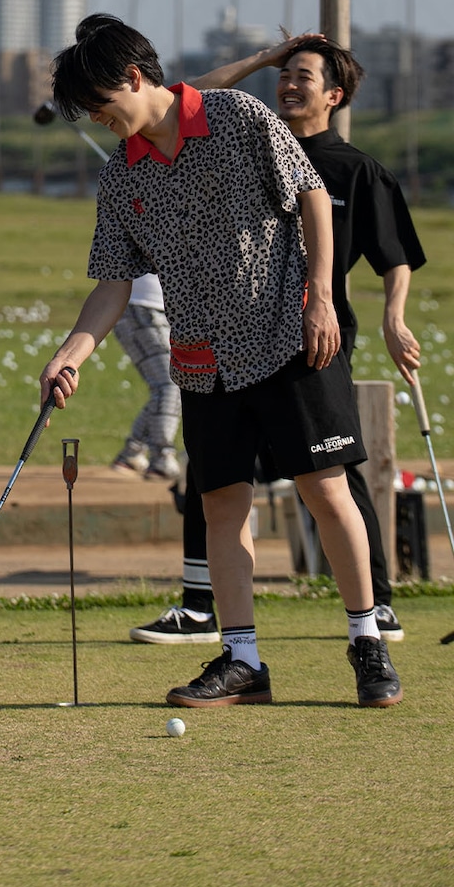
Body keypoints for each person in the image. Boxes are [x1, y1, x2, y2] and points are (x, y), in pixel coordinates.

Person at [41, 14, 402, 709]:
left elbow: (312, 198)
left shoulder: (239, 116)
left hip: (292, 339)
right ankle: (242, 661)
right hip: (203, 359)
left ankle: (367, 640)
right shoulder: (122, 176)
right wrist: (71, 352)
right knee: (221, 507)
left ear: (135, 78)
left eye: (97, 103)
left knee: (326, 492)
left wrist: (321, 298)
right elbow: (114, 282)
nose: (94, 118)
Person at [130, 37, 425, 646]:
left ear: (334, 96)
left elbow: (395, 258)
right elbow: (171, 104)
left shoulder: (355, 169)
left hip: (315, 332)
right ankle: (203, 606)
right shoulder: (242, 133)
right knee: (216, 479)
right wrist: (265, 57)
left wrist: (394, 319)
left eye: (304, 77)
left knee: (329, 476)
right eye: (283, 76)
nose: (289, 84)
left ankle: (375, 610)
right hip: (224, 338)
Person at [110, 272, 181, 481]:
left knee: (170, 384)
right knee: (170, 383)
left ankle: (132, 452)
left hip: (159, 308)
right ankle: (161, 458)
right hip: (141, 307)